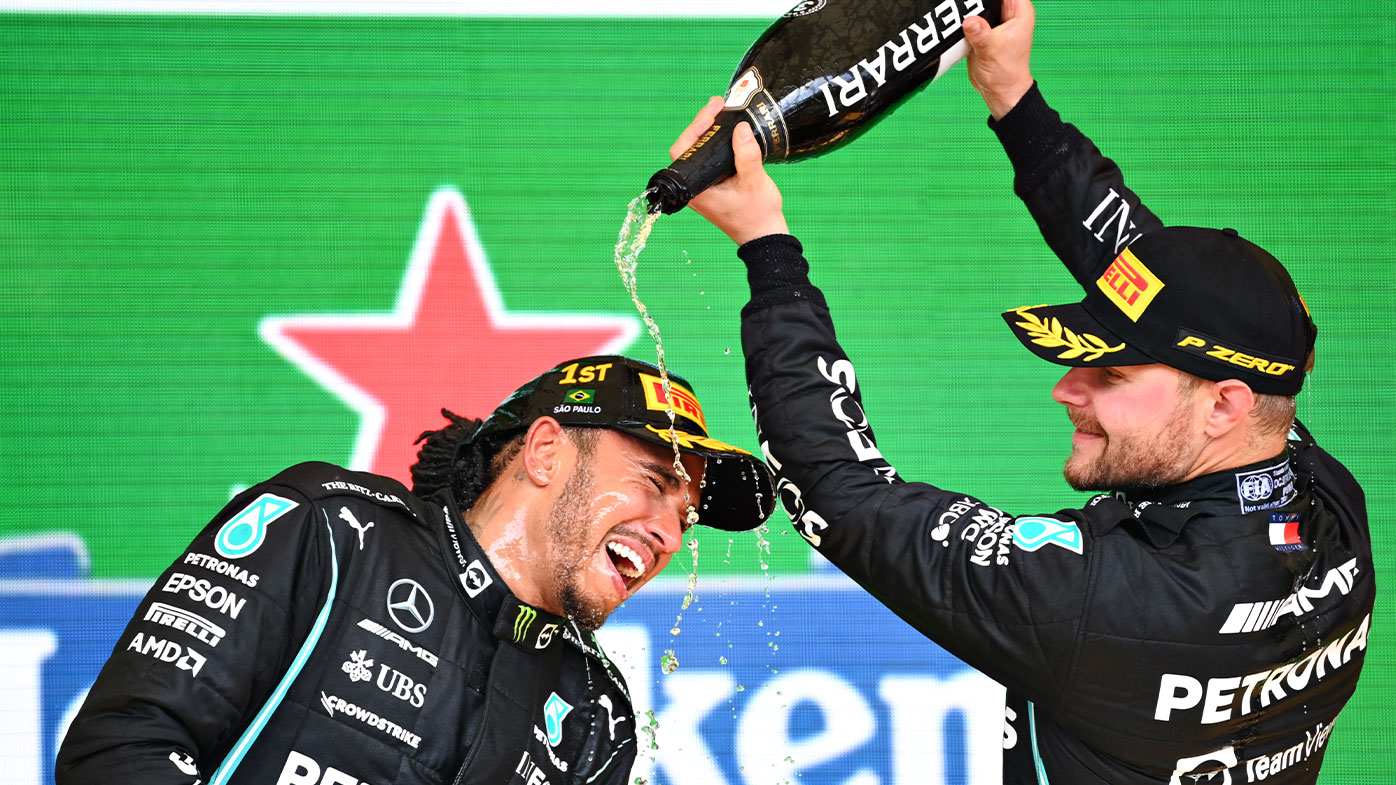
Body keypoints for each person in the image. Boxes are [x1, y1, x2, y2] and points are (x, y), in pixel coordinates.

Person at [673, 0, 1374, 782]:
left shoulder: (1102, 601)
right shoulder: (1322, 498)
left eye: (1109, 372)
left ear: (1224, 403)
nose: (1067, 389)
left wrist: (766, 248)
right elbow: (1154, 278)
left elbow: (842, 495)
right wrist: (1015, 100)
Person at [56, 355, 775, 785]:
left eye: (686, 517)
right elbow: (121, 749)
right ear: (546, 452)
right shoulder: (335, 530)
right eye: (654, 482)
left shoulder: (598, 715)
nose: (670, 534)